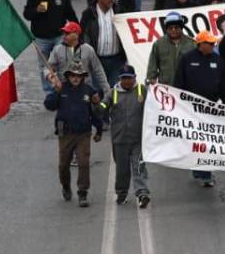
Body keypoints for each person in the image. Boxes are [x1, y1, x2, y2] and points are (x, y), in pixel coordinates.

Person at [45, 62, 104, 206]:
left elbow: (93, 112)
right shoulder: (61, 88)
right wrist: (56, 91)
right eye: (73, 76)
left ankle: (82, 193)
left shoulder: (88, 90)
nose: (75, 78)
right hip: (65, 133)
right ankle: (66, 186)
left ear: (83, 77)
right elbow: (49, 105)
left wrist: (99, 129)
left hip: (83, 133)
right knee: (63, 165)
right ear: (68, 76)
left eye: (79, 76)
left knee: (84, 163)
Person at [174, 30, 223, 187]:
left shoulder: (218, 59)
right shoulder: (187, 59)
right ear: (200, 44)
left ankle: (204, 172)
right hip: (191, 109)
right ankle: (202, 172)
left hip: (211, 108)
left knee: (208, 141)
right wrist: (178, 105)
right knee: (197, 141)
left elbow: (224, 83)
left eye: (213, 43)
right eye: (209, 43)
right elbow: (178, 83)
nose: (212, 45)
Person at [23, 0, 78, 92]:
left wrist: (77, 29)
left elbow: (70, 13)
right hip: (41, 38)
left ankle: (62, 88)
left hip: (59, 36)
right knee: (44, 65)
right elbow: (27, 14)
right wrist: (36, 10)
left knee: (62, 62)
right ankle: (49, 91)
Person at [103, 65, 150, 207]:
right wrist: (97, 104)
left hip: (138, 138)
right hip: (120, 139)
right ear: (120, 79)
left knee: (139, 167)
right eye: (124, 79)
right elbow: (103, 107)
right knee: (122, 169)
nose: (127, 81)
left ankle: (142, 193)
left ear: (135, 77)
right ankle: (122, 193)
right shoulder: (113, 93)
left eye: (129, 78)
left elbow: (154, 108)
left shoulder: (143, 91)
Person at [46, 20, 111, 97]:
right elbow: (48, 68)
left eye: (67, 33)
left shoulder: (88, 49)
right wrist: (51, 77)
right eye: (64, 33)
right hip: (64, 90)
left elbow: (98, 70)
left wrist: (106, 89)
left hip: (84, 90)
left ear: (76, 34)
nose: (64, 36)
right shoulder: (57, 49)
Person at [81, 0, 125, 82]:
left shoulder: (119, 11)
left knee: (115, 91)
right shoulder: (88, 13)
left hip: (116, 60)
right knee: (99, 90)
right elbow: (83, 36)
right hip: (97, 61)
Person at [146, 12, 194, 85]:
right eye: (170, 28)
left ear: (181, 28)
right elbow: (152, 66)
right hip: (166, 87)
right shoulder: (158, 44)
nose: (173, 30)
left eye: (176, 27)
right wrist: (150, 80)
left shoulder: (192, 44)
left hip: (187, 87)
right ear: (166, 29)